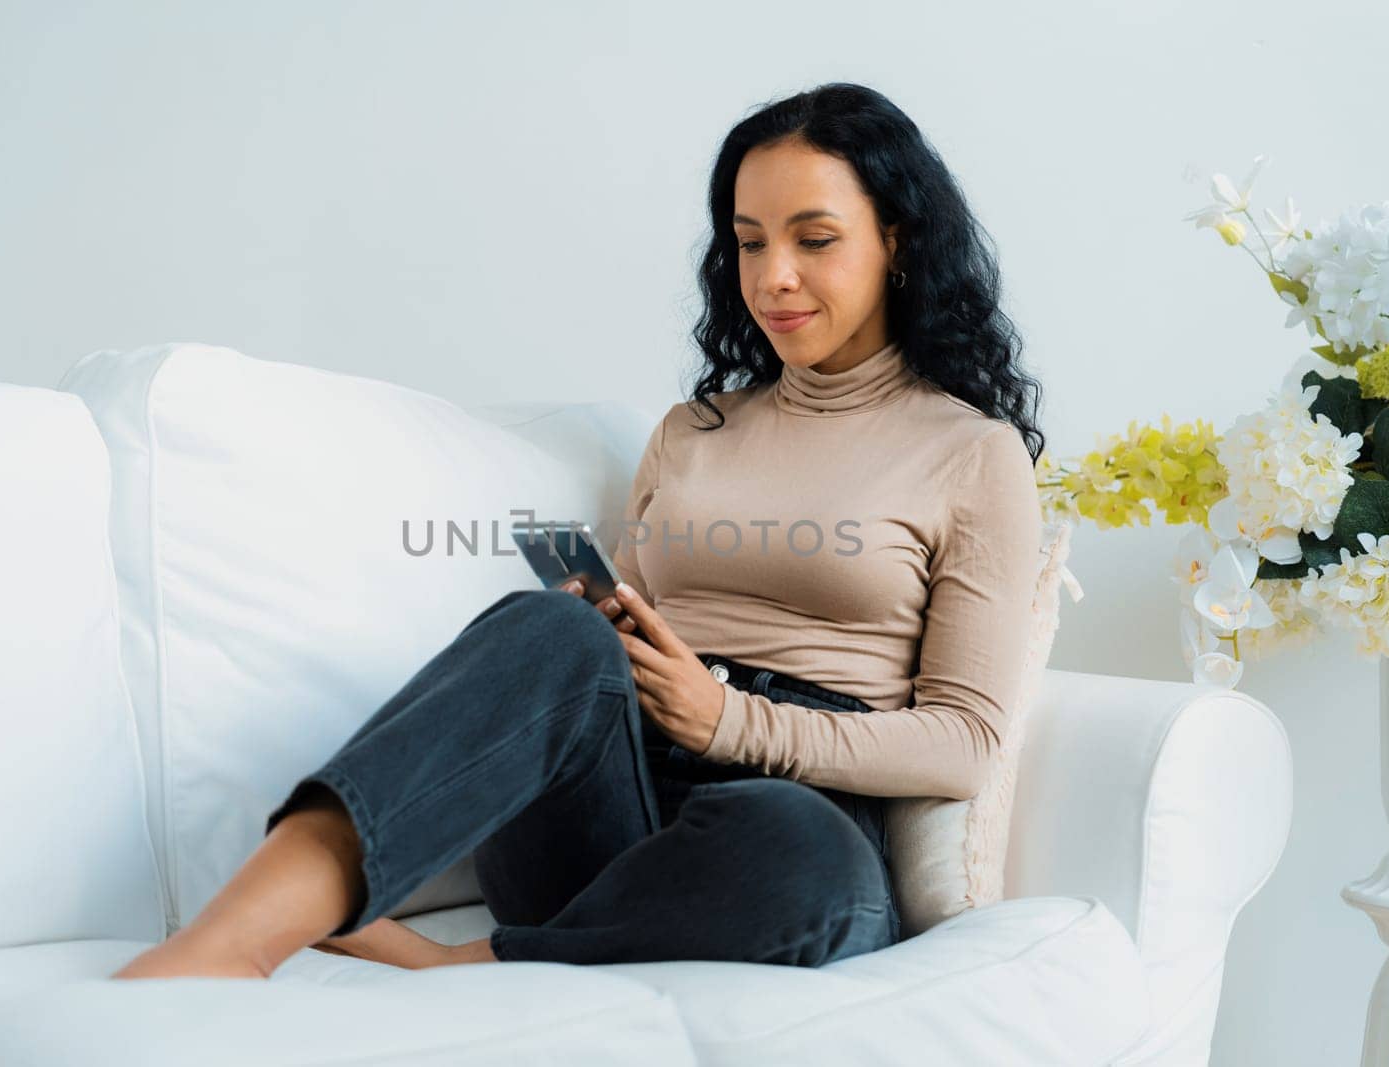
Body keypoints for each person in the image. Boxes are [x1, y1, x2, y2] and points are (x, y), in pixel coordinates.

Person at [110, 81, 1045, 980]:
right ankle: (235, 935)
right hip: (612, 795)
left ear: (898, 241)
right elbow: (618, 628)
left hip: (787, 818)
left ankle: (462, 964)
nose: (775, 278)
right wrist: (597, 633)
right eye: (750, 243)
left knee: (804, 854)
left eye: (815, 239)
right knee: (553, 624)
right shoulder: (693, 430)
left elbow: (963, 740)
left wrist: (733, 722)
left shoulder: (972, 453)